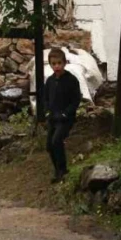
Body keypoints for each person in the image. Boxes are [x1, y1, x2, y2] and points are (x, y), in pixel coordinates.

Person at [43, 47, 82, 183]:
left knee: (56, 141)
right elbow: (45, 98)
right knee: (49, 146)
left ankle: (63, 169)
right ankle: (57, 171)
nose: (57, 66)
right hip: (53, 118)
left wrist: (66, 113)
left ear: (64, 63)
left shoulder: (71, 80)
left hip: (66, 119)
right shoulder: (49, 81)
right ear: (50, 64)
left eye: (59, 63)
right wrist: (47, 111)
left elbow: (76, 99)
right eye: (54, 64)